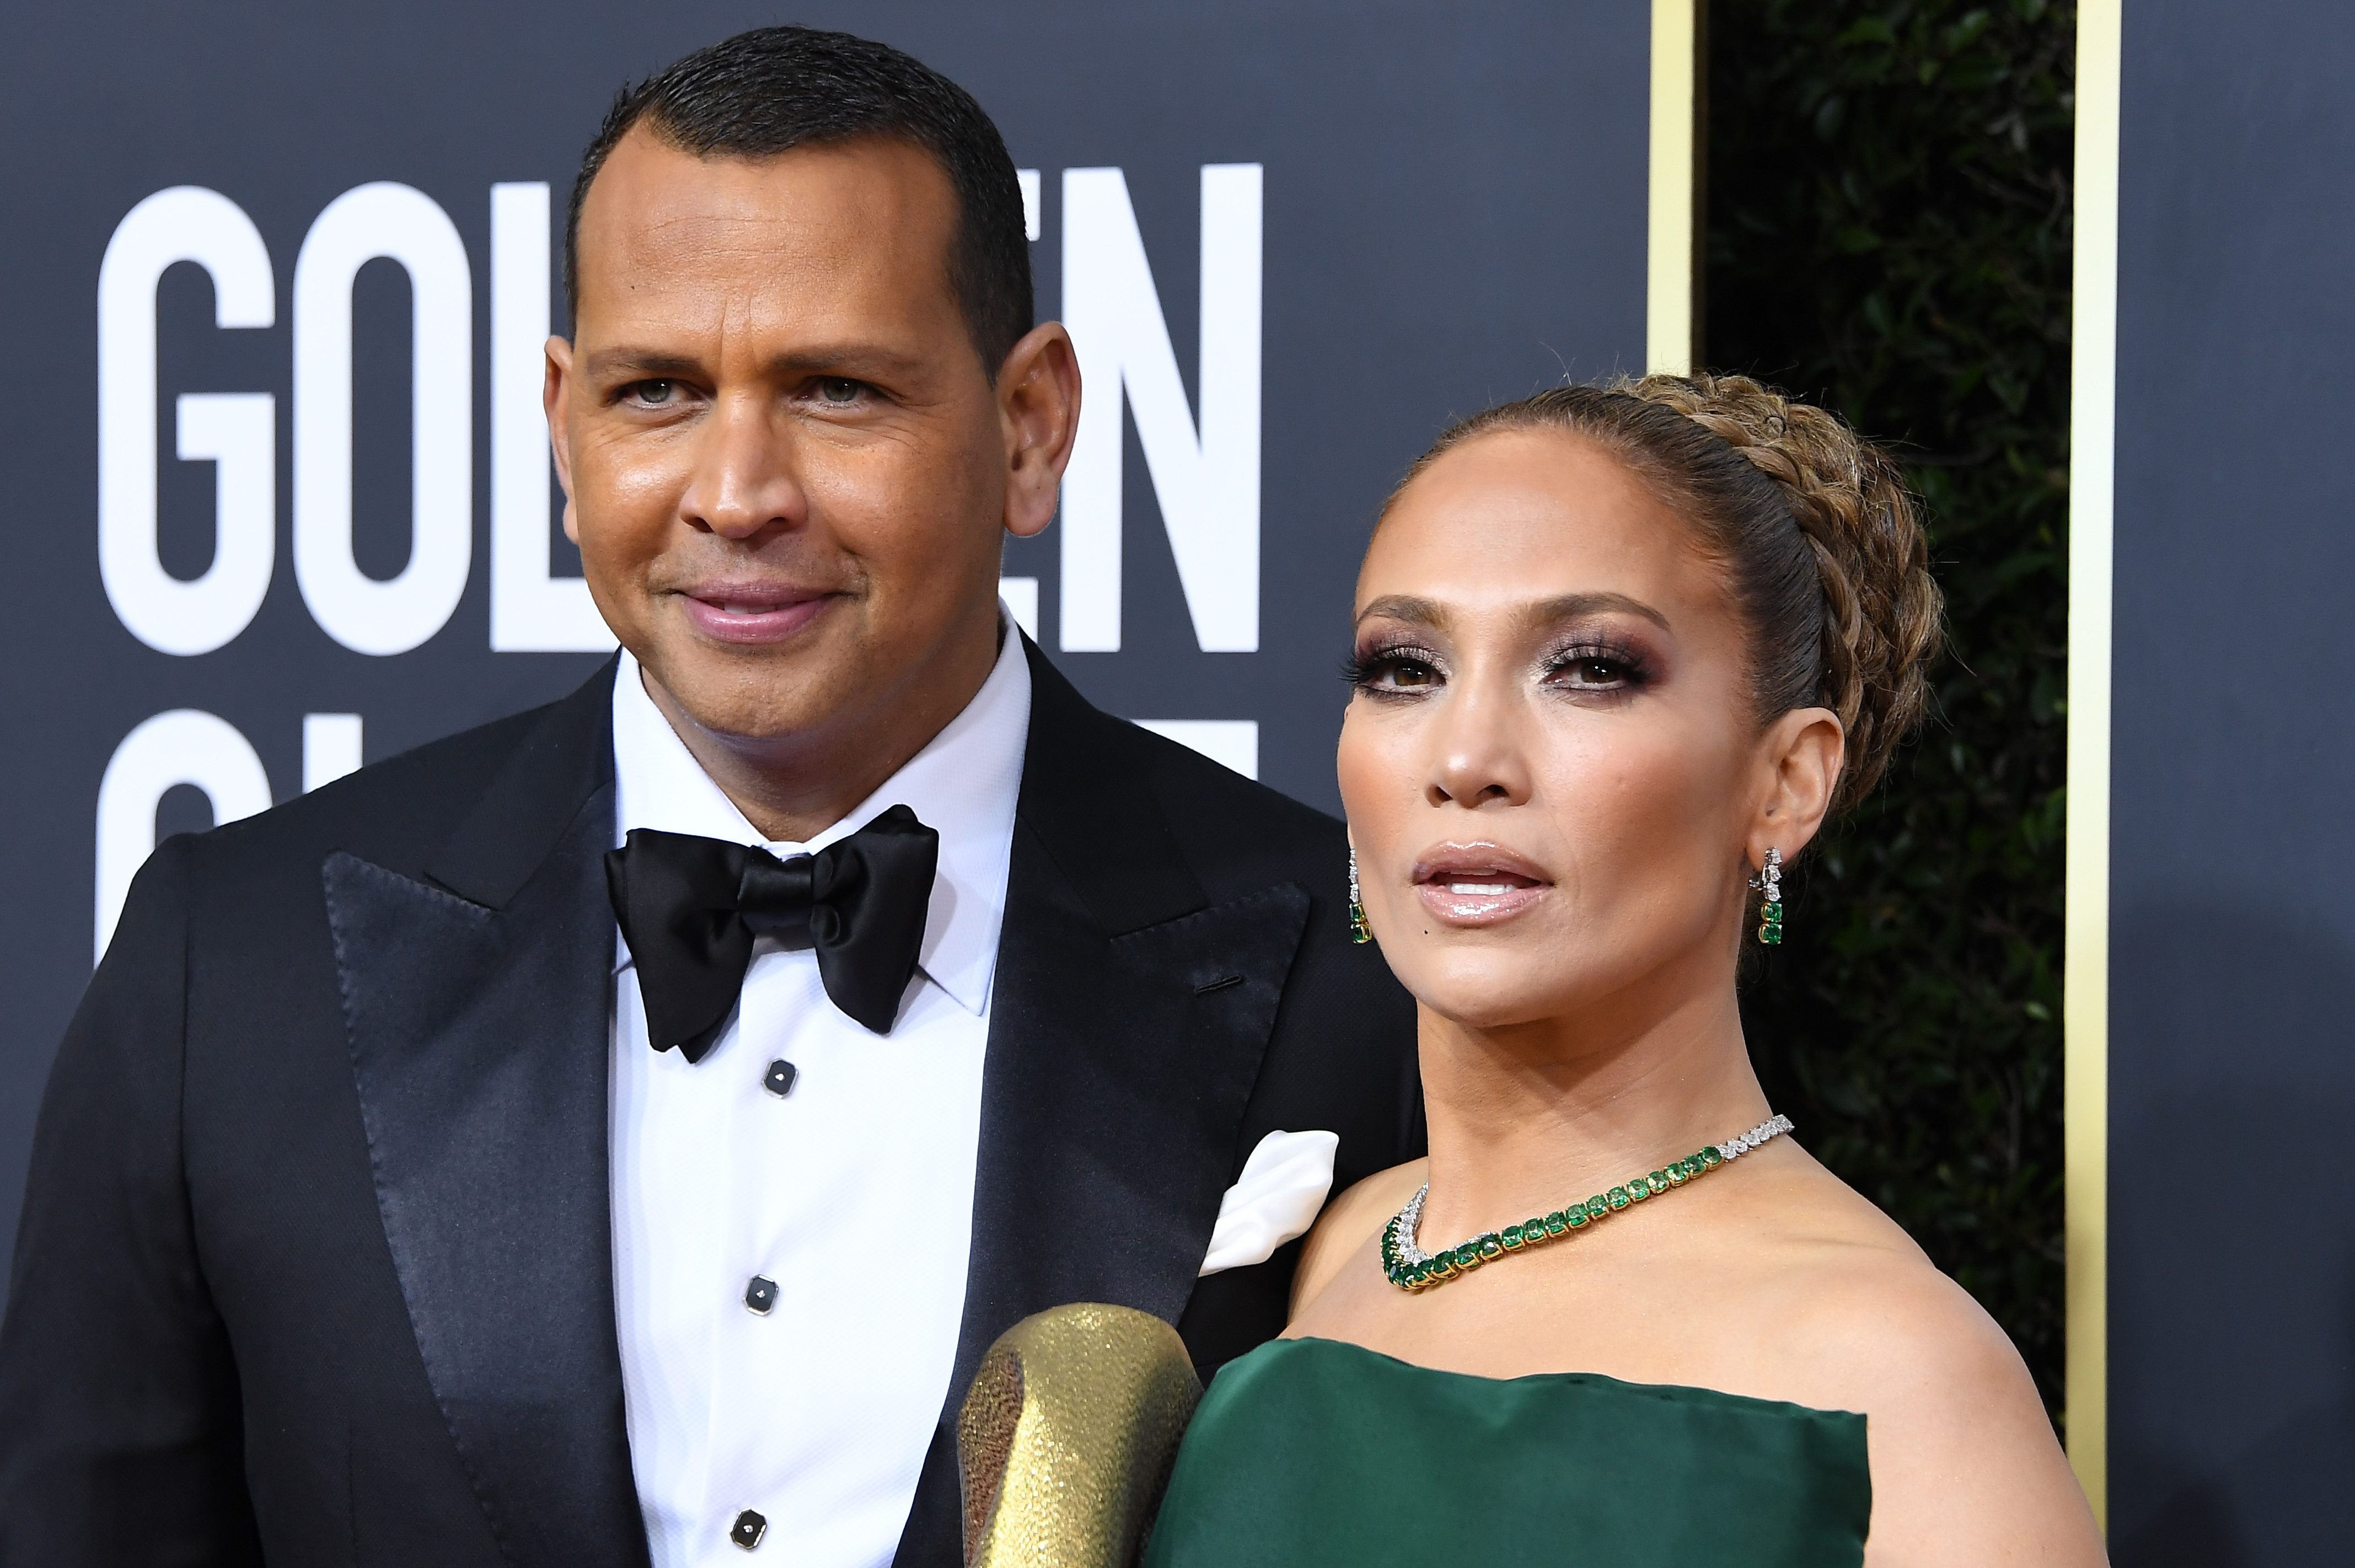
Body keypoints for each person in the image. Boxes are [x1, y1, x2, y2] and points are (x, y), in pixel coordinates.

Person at [0, 27, 1420, 1568]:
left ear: (1031, 426)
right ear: (563, 423)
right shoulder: (233, 965)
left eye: (836, 390)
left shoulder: (1361, 976)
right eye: (658, 390)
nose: (738, 491)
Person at [1140, 377, 2108, 1566]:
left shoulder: (1892, 1375)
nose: (1466, 757)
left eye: (1590, 668)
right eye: (1404, 669)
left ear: (1786, 783)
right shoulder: (1326, 1251)